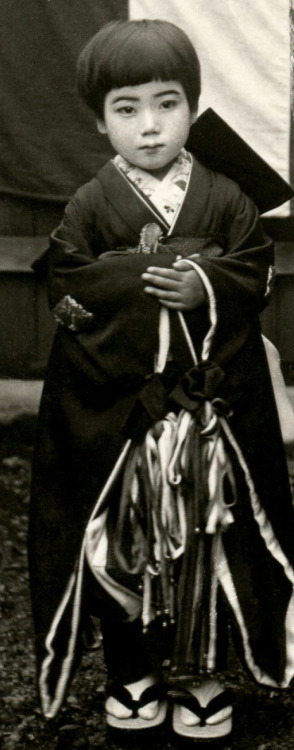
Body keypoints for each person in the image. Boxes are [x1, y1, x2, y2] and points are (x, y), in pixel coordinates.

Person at [28, 19, 294, 741]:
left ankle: (204, 676)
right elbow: (70, 289)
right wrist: (137, 287)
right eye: (127, 108)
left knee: (211, 546)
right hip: (126, 421)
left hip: (210, 420)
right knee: (125, 544)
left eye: (167, 102)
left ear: (194, 104)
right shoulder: (90, 204)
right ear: (99, 119)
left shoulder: (228, 196)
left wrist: (207, 283)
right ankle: (133, 672)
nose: (150, 127)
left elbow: (256, 270)